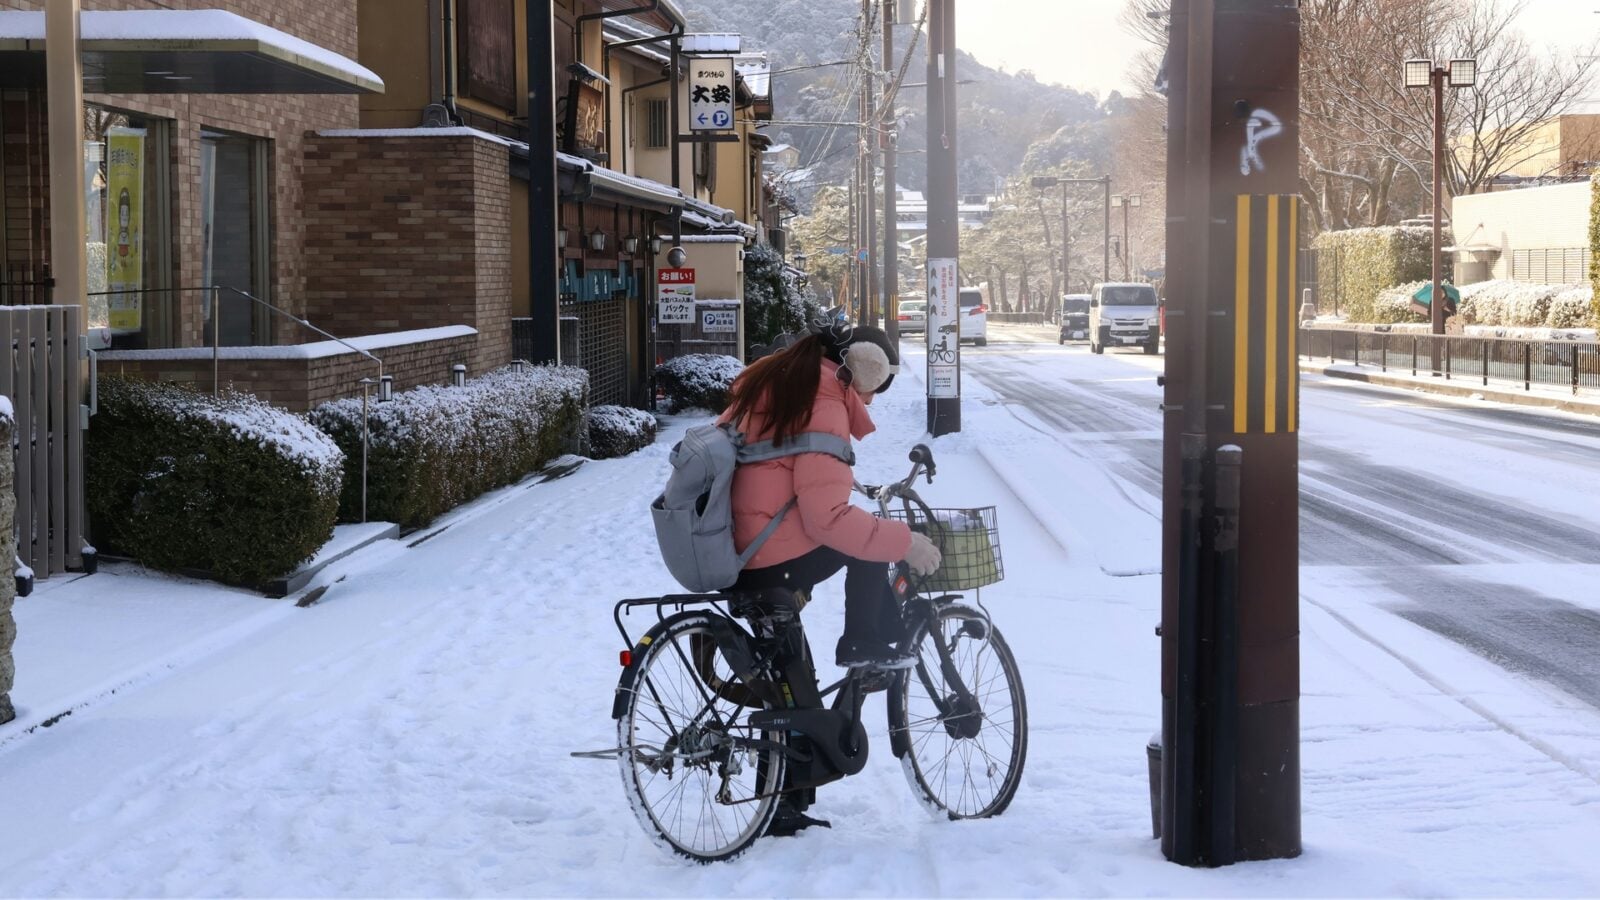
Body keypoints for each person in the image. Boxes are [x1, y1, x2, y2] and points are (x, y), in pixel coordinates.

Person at [720, 318, 942, 672]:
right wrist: (905, 543)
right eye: (876, 387)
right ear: (864, 371)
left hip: (733, 551)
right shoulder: (824, 403)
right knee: (871, 541)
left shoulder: (780, 385)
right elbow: (826, 519)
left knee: (790, 683)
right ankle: (861, 641)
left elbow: (779, 468)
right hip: (765, 558)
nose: (871, 399)